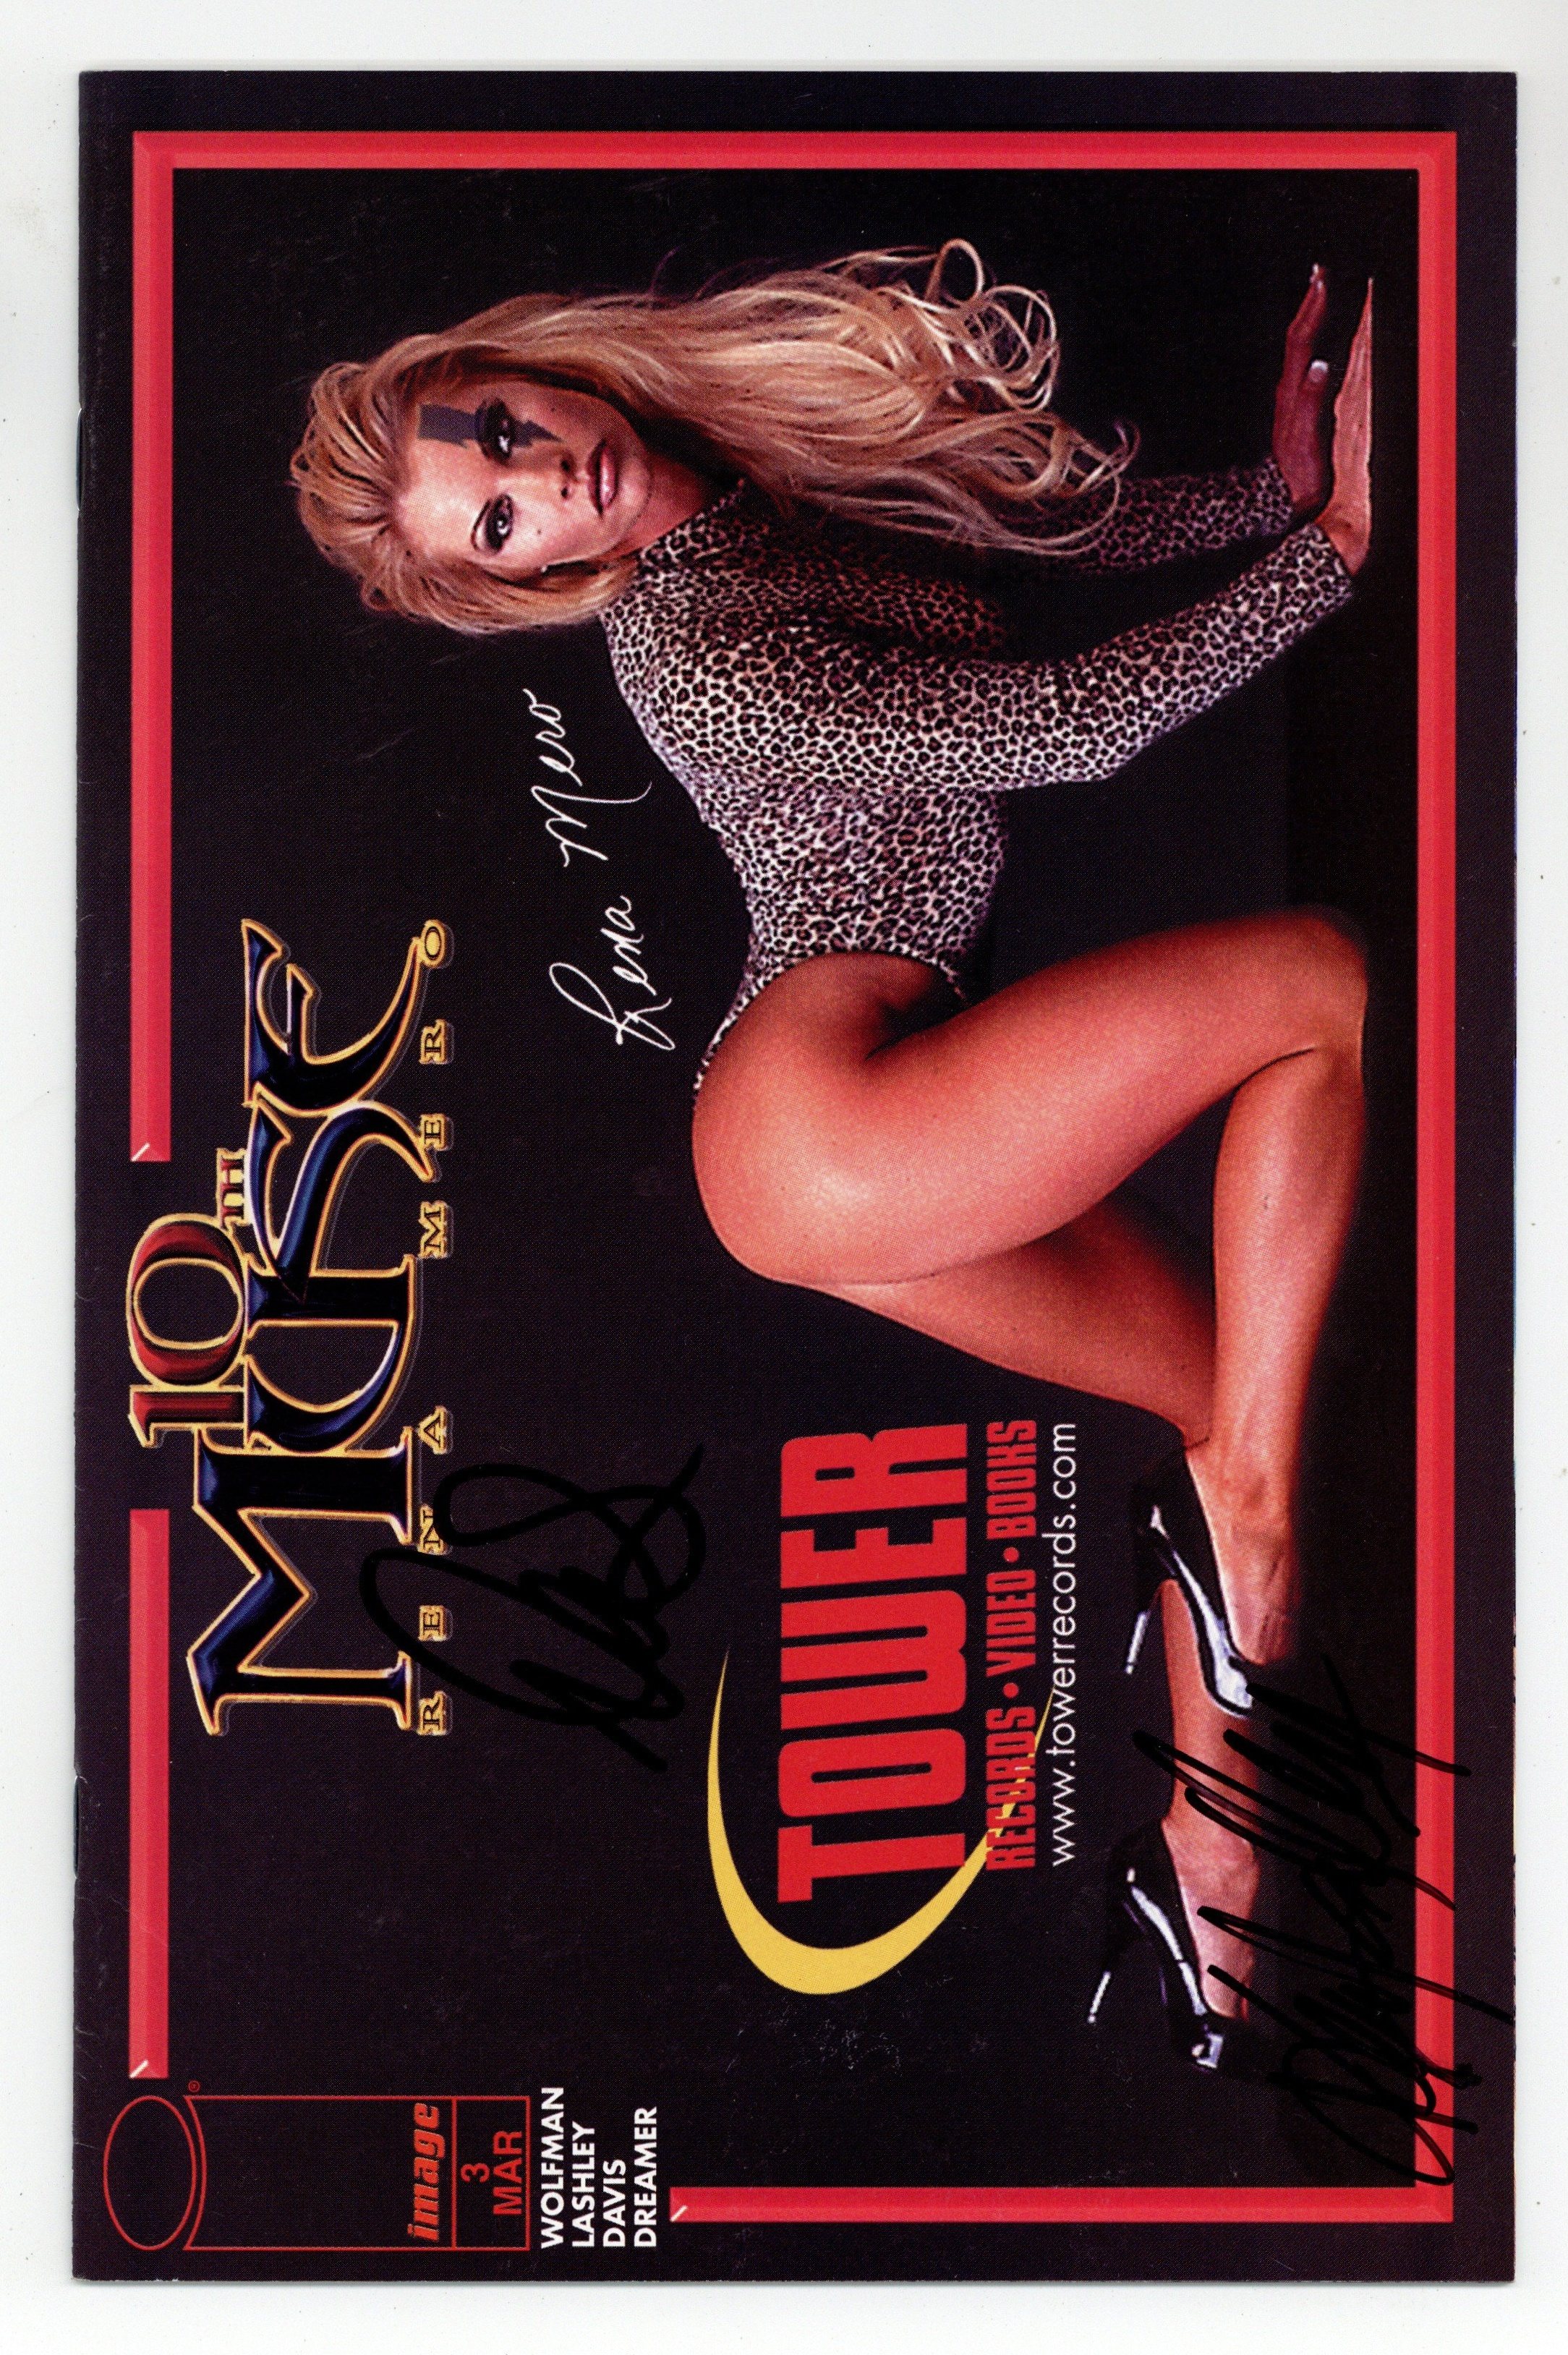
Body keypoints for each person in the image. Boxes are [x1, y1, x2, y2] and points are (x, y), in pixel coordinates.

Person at [294, 245, 1373, 2070]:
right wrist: (1331, 550)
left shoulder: (767, 495)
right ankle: (1249, 1553)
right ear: (525, 578)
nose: (540, 476)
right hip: (821, 1117)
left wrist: (1261, 496)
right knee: (1316, 990)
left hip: (817, 1133)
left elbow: (1038, 548)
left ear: (528, 369)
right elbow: (1065, 725)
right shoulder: (690, 640)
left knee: (1221, 1383)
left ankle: (1209, 1875)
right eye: (498, 519)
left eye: (500, 433)